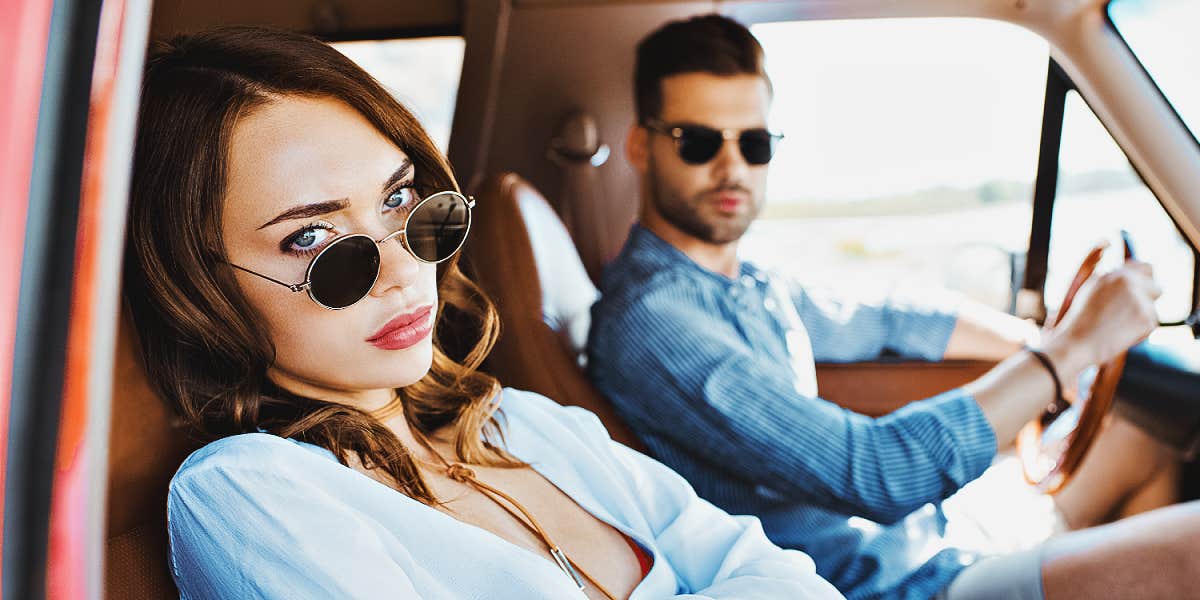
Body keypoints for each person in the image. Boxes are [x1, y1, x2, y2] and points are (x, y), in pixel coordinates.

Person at [124, 26, 844, 600]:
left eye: (402, 202)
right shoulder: (251, 492)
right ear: (201, 289)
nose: (405, 269)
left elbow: (788, 576)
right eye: (313, 239)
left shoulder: (527, 424)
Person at [587, 14, 1199, 600]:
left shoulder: (744, 282)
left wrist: (1040, 338)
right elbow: (874, 472)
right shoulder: (654, 322)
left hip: (933, 538)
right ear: (641, 146)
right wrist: (1069, 351)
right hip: (885, 586)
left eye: (754, 143)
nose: (733, 168)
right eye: (697, 142)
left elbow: (893, 320)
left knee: (1141, 436)